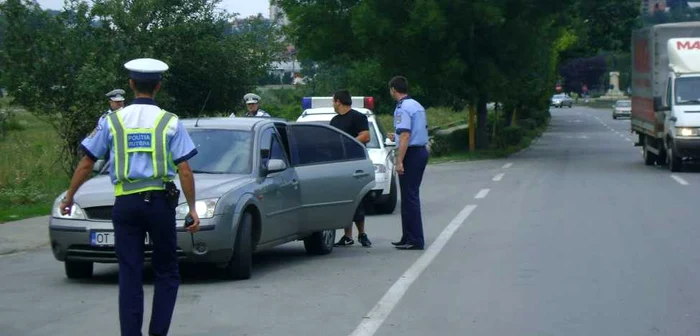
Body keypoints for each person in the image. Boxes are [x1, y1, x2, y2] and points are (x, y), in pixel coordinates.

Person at [59, 57, 201, 336]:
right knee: (166, 271)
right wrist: (193, 208)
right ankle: (158, 332)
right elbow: (184, 169)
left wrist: (69, 197)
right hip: (160, 203)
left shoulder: (111, 121)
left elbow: (87, 162)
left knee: (130, 272)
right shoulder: (169, 122)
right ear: (158, 86)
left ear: (131, 84)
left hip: (126, 204)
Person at [388, 76, 429, 250]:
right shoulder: (416, 105)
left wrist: (399, 161)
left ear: (393, 89)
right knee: (408, 197)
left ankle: (415, 239)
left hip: (411, 153)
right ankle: (407, 236)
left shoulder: (402, 108)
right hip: (420, 151)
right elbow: (407, 132)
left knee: (410, 197)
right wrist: (395, 136)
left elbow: (405, 135)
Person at [329, 90, 372, 247]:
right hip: (340, 165)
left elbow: (366, 136)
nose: (333, 104)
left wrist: (347, 143)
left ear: (338, 101)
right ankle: (348, 236)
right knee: (346, 200)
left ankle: (362, 234)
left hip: (356, 164)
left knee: (357, 199)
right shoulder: (334, 121)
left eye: (333, 101)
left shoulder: (358, 117)